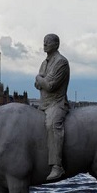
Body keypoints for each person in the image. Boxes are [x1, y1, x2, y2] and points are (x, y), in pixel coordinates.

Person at [35, 33, 71, 181]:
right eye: (43, 42)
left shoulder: (61, 62)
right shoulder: (44, 63)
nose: (44, 44)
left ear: (56, 44)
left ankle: (57, 166)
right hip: (43, 104)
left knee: (52, 125)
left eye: (47, 42)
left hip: (57, 103)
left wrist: (39, 78)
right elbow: (38, 85)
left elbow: (49, 85)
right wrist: (40, 80)